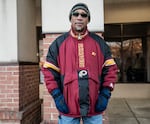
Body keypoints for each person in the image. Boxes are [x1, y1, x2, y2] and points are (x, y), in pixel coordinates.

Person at [42, 3, 118, 124]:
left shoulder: (99, 43)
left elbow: (111, 70)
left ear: (88, 19)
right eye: (75, 14)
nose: (79, 17)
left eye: (84, 15)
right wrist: (57, 96)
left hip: (94, 107)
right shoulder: (58, 44)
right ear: (70, 18)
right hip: (68, 108)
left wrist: (105, 93)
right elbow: (49, 73)